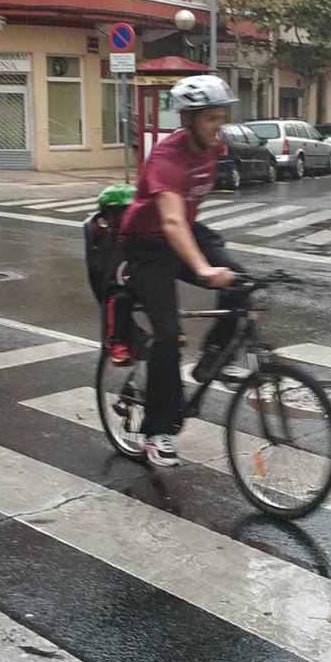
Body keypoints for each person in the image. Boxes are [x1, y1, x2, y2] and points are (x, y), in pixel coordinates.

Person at [120, 74, 247, 468]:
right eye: (211, 118)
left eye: (221, 117)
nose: (218, 125)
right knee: (167, 334)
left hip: (185, 233)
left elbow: (186, 224)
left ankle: (211, 359)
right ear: (189, 119)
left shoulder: (211, 148)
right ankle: (156, 434)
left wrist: (216, 263)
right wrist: (204, 270)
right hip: (148, 243)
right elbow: (171, 221)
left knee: (243, 283)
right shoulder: (166, 157)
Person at [84, 183, 136, 366]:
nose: (129, 216)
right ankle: (117, 342)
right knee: (119, 299)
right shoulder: (108, 239)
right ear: (110, 215)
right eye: (124, 212)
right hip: (120, 287)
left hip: (145, 282)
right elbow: (106, 276)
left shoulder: (141, 234)